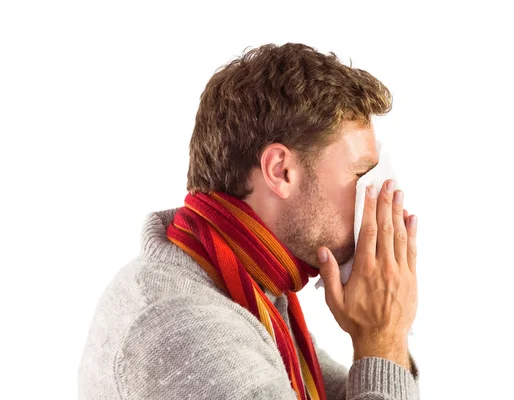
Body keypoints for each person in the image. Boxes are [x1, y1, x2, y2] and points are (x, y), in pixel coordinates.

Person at [78, 42, 420, 400]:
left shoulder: (248, 288)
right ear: (280, 171)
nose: (378, 196)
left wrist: (385, 334)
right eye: (362, 173)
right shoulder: (182, 328)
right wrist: (383, 336)